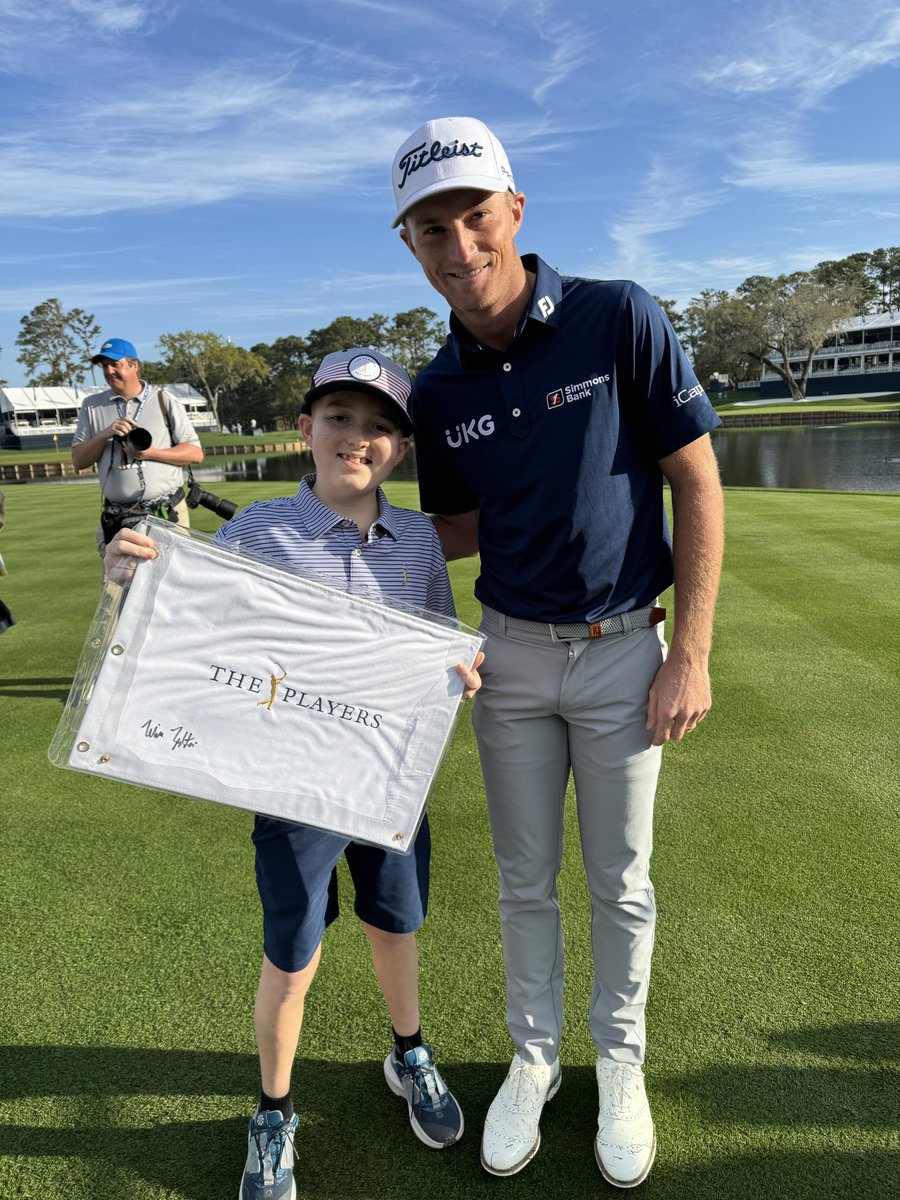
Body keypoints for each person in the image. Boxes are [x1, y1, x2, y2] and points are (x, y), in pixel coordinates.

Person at [390, 116, 725, 1188]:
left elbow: (696, 482)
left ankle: (617, 1066)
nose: (459, 245)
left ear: (515, 214)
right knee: (524, 880)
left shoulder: (616, 316)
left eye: (475, 217)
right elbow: (453, 530)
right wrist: (306, 538)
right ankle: (534, 1060)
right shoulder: (437, 390)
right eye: (431, 229)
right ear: (412, 246)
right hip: (512, 661)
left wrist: (693, 650)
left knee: (620, 880)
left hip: (629, 648)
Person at [104, 348, 483, 1200]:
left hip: (387, 785)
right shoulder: (256, 531)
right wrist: (128, 579)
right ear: (307, 429)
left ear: (400, 448)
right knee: (293, 956)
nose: (359, 438)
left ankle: (409, 1054)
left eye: (381, 426)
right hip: (290, 790)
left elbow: (437, 646)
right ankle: (273, 1112)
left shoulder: (418, 537)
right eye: (342, 419)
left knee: (396, 925)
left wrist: (459, 674)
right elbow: (188, 636)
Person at [71, 337, 204, 556]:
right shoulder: (92, 406)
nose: (109, 371)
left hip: (165, 512)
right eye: (105, 366)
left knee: (174, 584)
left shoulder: (164, 400)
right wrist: (106, 433)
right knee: (117, 586)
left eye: (116, 364)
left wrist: (150, 453)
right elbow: (79, 460)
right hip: (117, 518)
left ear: (135, 366)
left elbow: (195, 454)